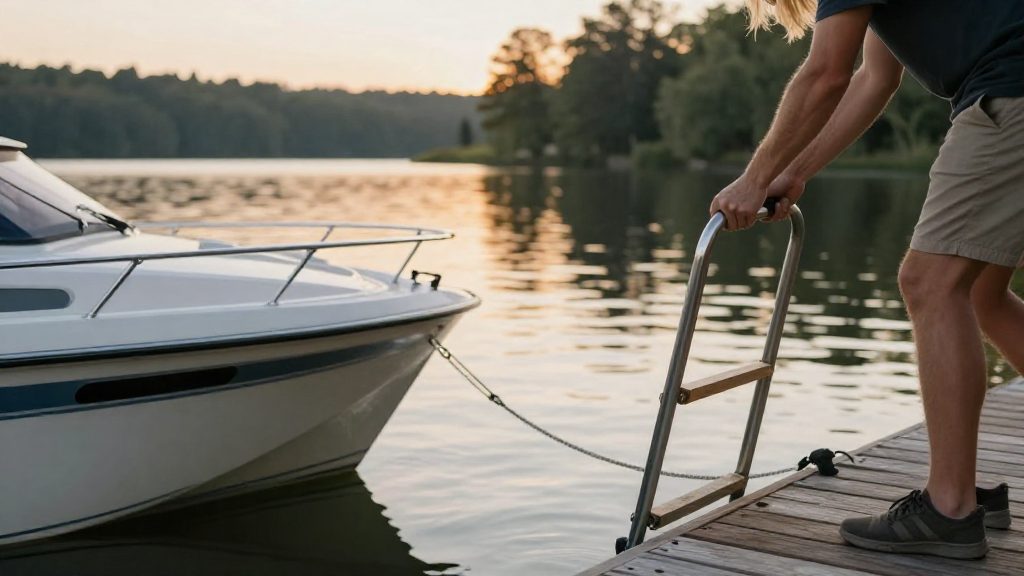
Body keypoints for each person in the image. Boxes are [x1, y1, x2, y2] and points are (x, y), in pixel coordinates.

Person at [709, 0, 1024, 560]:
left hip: (1010, 92)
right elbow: (873, 78)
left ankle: (949, 508)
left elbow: (825, 73)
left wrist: (752, 180)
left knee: (929, 282)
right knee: (978, 291)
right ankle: (957, 497)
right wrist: (793, 172)